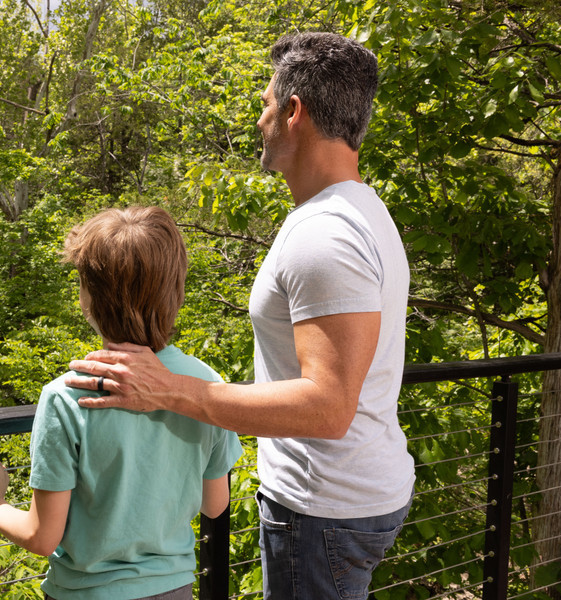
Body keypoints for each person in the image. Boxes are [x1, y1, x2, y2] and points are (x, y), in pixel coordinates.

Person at [64, 32, 414, 600]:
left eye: (266, 103)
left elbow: (327, 409)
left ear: (294, 112)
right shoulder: (363, 211)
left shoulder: (324, 233)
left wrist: (170, 390)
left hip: (323, 508)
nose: (259, 119)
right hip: (354, 497)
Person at [0, 206, 243, 600]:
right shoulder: (205, 384)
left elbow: (42, 536)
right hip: (175, 588)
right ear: (176, 290)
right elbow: (215, 505)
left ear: (88, 298)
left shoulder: (67, 395)